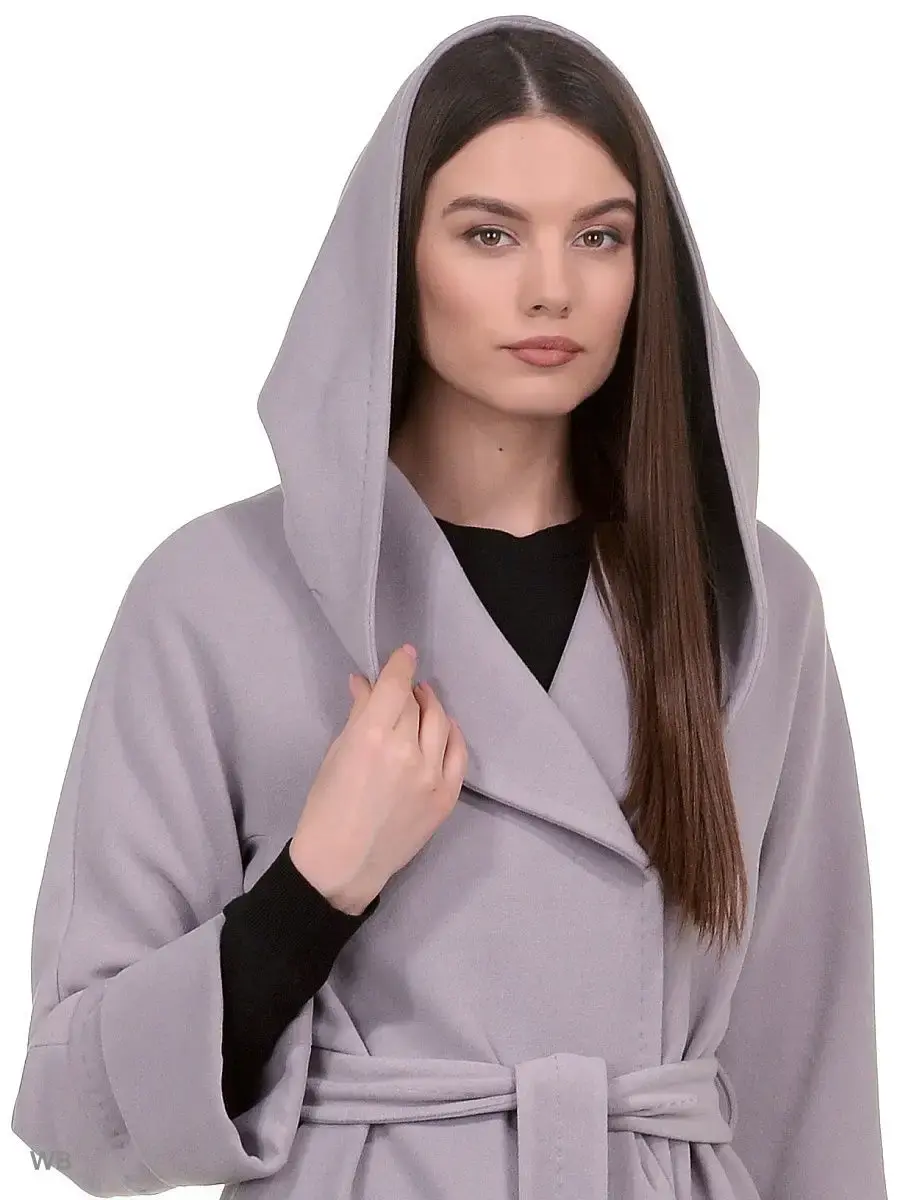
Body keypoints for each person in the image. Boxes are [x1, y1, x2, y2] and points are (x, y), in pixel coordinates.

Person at [10, 13, 888, 1200]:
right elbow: (75, 1111)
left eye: (600, 236)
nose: (551, 288)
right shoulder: (211, 597)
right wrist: (312, 888)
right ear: (392, 258)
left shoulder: (750, 599)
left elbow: (812, 1076)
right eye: (489, 234)